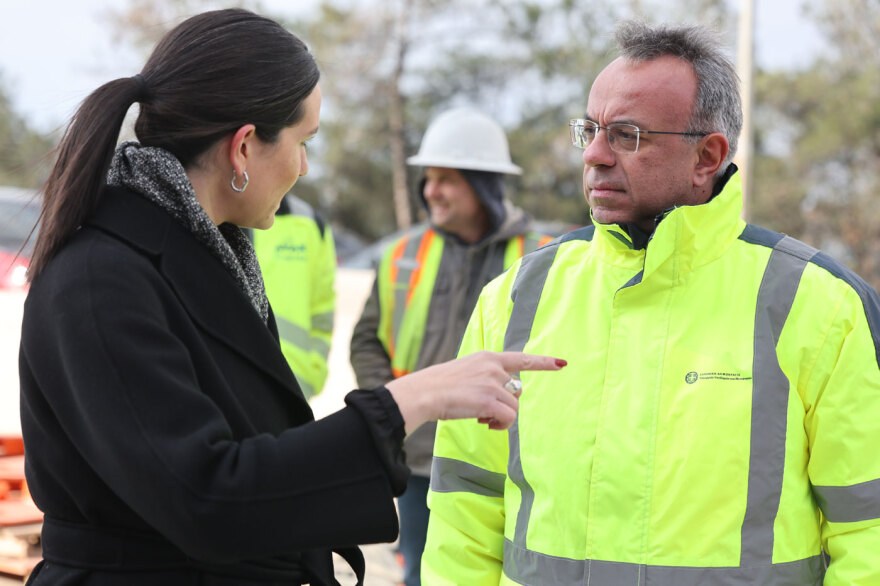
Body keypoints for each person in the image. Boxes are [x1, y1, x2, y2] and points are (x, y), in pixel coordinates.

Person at [18, 9, 566, 586]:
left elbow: (247, 458)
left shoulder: (208, 259)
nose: (304, 167)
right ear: (245, 148)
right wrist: (405, 403)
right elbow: (206, 499)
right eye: (304, 142)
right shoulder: (99, 281)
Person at [423, 19, 880, 585]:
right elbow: (465, 506)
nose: (594, 155)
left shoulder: (820, 306)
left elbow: (869, 531)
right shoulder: (516, 298)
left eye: (627, 135)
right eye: (589, 129)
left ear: (707, 157)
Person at [350, 106, 552, 586]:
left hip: (518, 464)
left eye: (445, 179)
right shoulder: (403, 254)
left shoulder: (545, 258)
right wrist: (399, 407)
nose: (430, 191)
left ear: (482, 185)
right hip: (421, 462)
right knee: (426, 575)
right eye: (428, 178)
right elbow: (366, 341)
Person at [250, 193, 336, 399]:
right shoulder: (208, 210)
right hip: (222, 393)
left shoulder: (310, 223)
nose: (303, 168)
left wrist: (313, 372)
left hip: (293, 389)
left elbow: (322, 309)